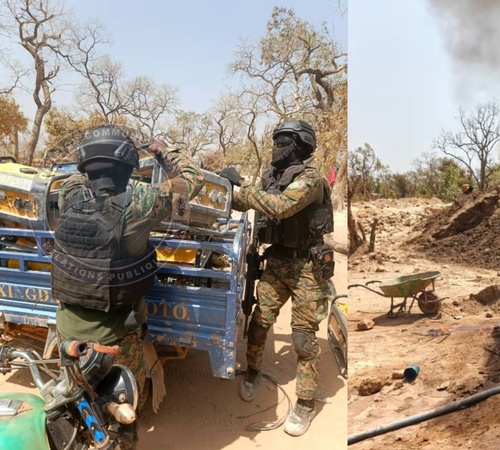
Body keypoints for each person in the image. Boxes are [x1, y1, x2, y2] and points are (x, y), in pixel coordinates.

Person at [51, 125, 203, 449]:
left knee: (77, 404)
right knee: (123, 414)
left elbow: (84, 177)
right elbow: (192, 180)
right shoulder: (142, 199)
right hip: (117, 337)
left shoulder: (67, 193)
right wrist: (163, 151)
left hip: (68, 332)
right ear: (127, 164)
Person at [219, 120, 334, 437]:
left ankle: (306, 403)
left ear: (297, 146)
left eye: (282, 141)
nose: (275, 147)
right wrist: (224, 187)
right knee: (259, 322)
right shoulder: (272, 178)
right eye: (275, 141)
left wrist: (243, 183)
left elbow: (280, 207)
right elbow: (249, 202)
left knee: (303, 338)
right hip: (278, 261)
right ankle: (253, 372)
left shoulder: (311, 180)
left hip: (307, 268)